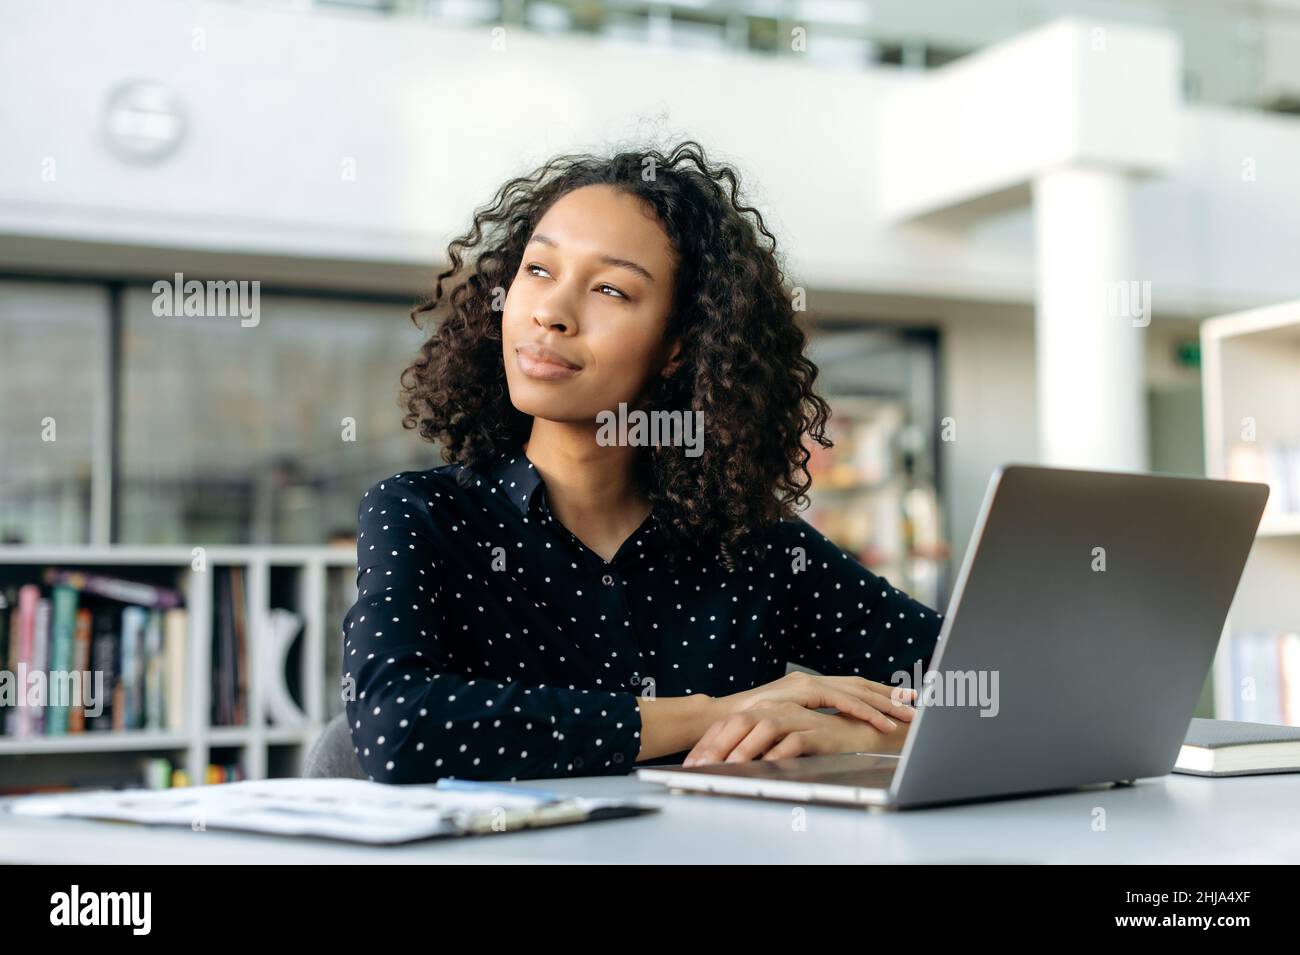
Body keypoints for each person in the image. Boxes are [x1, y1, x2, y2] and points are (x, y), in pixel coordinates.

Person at [342, 141, 942, 783]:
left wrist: (857, 732)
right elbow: (397, 725)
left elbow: (994, 686)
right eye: (538, 271)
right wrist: (713, 715)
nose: (551, 312)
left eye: (610, 289)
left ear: (680, 347)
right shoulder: (424, 514)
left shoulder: (755, 547)